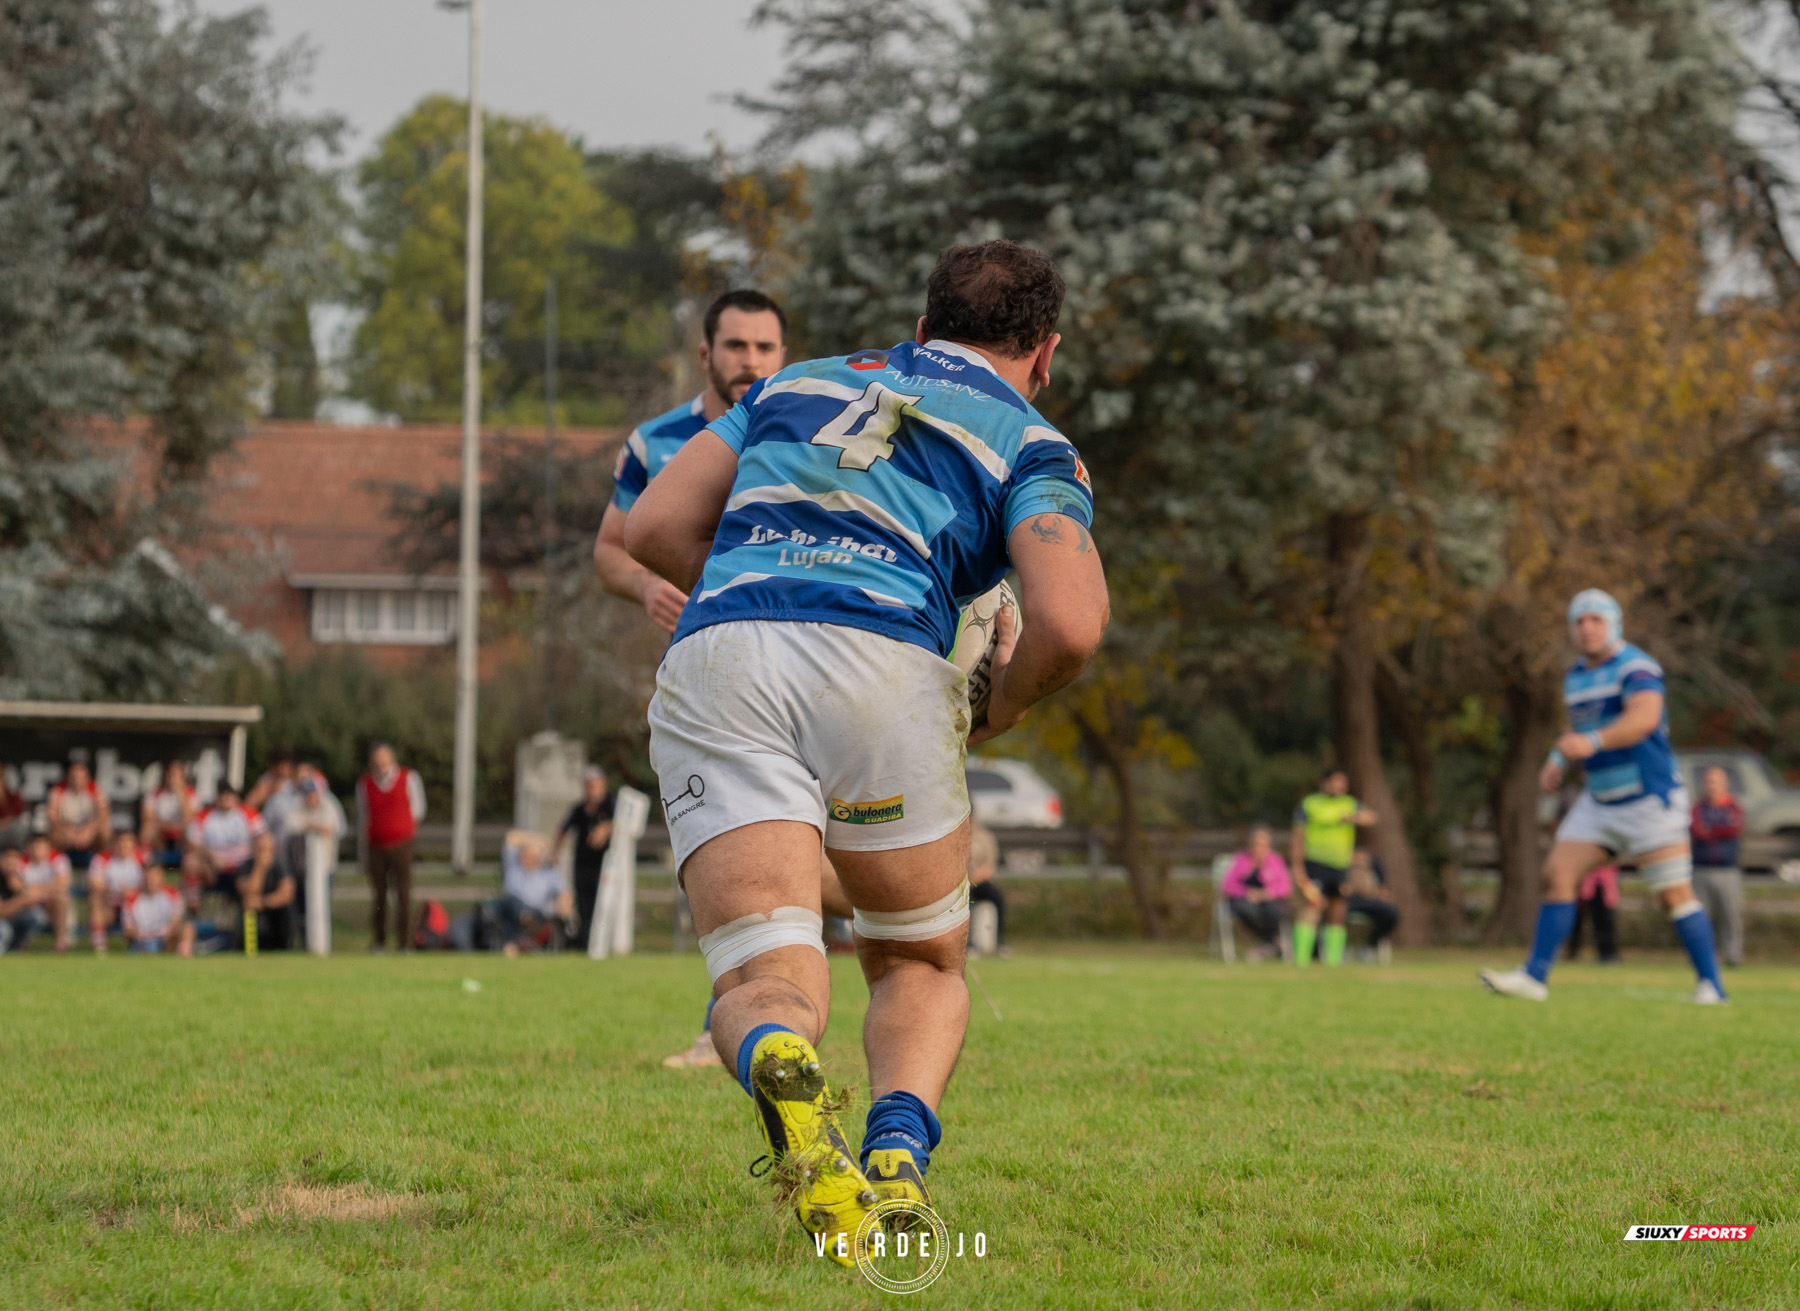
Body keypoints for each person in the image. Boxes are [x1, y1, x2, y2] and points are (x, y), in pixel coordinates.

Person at [625, 240, 1108, 1263]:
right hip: (886, 665)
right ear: (1046, 352)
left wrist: (759, 582)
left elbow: (658, 524)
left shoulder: (795, 382)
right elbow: (1068, 626)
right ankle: (893, 1156)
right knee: (920, 959)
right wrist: (1002, 708)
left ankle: (782, 1056)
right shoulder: (1033, 441)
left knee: (763, 973)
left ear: (922, 325)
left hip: (728, 653)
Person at [1481, 589, 1727, 1004]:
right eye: (1579, 621)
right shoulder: (1575, 676)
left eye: (1596, 619)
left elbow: (1644, 718)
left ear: (1614, 623)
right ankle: (1534, 977)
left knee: (1674, 894)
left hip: (1649, 800)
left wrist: (1593, 742)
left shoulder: (1636, 666)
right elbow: (1578, 734)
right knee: (1557, 873)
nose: (1587, 628)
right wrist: (1557, 758)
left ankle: (1712, 986)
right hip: (1600, 802)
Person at [593, 289, 789, 634]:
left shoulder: (809, 440)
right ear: (705, 354)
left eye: (765, 348)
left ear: (782, 358)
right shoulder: (652, 441)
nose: (751, 362)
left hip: (788, 650)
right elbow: (609, 549)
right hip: (688, 658)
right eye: (735, 345)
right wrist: (646, 586)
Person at [1290, 767, 1377, 968]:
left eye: (1342, 782)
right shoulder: (1310, 804)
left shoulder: (1350, 804)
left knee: (1338, 907)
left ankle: (1333, 960)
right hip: (1314, 863)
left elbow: (1371, 817)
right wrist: (1297, 867)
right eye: (1335, 782)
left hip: (1340, 866)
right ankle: (1301, 959)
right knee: (1311, 905)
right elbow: (1297, 836)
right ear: (1324, 783)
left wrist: (1355, 818)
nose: (1339, 786)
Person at [356, 743, 425, 953]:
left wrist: (406, 834)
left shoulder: (408, 778)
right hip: (376, 846)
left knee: (403, 894)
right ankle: (379, 941)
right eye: (376, 761)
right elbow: (363, 815)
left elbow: (418, 810)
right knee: (379, 895)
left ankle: (405, 942)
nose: (380, 765)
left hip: (401, 844)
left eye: (384, 760)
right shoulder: (364, 783)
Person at [183, 782, 274, 936]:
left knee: (264, 852)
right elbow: (192, 842)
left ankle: (252, 924)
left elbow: (263, 837)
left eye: (229, 797)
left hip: (242, 868)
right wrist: (209, 858)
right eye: (222, 797)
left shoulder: (248, 813)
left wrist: (254, 857)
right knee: (190, 861)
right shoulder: (205, 816)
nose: (226, 801)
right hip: (214, 869)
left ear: (235, 798)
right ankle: (194, 911)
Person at [1690, 766, 1746, 968]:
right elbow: (1696, 829)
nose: (1712, 785)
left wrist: (1711, 829)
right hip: (1701, 869)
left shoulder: (1733, 807)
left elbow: (1734, 828)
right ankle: (1705, 957)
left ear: (1724, 784)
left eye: (1716, 781)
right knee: (1701, 918)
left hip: (1727, 870)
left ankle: (1732, 956)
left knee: (1731, 915)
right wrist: (1717, 829)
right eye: (1709, 781)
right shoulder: (1698, 807)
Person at [483, 830, 572, 955]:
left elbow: (565, 891)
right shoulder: (513, 865)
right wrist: (538, 840)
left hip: (535, 915)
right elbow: (511, 837)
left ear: (538, 858)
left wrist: (563, 904)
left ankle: (511, 944)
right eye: (524, 854)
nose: (525, 858)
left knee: (518, 907)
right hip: (507, 909)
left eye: (530, 856)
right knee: (489, 907)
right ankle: (500, 946)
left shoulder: (548, 873)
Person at [555, 766, 615, 942]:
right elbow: (562, 829)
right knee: (583, 905)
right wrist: (554, 851)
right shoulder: (580, 809)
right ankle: (586, 942)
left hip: (605, 865)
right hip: (583, 864)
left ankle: (602, 941)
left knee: (602, 903)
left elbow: (623, 823)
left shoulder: (611, 804)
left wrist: (606, 828)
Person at [284, 770, 346, 942]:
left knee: (322, 904)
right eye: (307, 794)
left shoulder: (329, 805)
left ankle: (323, 941)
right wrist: (313, 826)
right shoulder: (296, 806)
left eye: (313, 794)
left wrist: (312, 827)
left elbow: (334, 828)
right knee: (302, 906)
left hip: (326, 865)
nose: (310, 798)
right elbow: (290, 825)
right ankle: (306, 941)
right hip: (301, 867)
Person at [1221, 825, 1294, 961]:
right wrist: (1247, 892)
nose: (1258, 848)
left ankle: (1268, 944)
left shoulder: (1274, 860)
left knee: (1275, 910)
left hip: (1269, 900)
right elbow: (1228, 885)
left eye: (1262, 844)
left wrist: (1266, 893)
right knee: (1245, 910)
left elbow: (1285, 886)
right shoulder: (1240, 859)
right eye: (1255, 844)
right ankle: (1273, 942)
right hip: (1245, 900)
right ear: (1250, 844)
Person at [87, 830, 147, 953]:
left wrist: (133, 892)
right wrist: (119, 891)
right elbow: (95, 883)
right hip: (110, 906)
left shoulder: (142, 858)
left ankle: (138, 946)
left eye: (127, 841)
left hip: (134, 907)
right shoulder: (101, 859)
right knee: (95, 898)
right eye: (120, 841)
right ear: (113, 843)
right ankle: (100, 948)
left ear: (133, 844)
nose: (123, 845)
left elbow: (152, 882)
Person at [47, 759, 109, 875]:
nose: (77, 780)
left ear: (87, 777)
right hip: (66, 829)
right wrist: (68, 831)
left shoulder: (95, 788)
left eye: (81, 776)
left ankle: (100, 870)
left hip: (88, 828)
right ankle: (58, 871)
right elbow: (52, 816)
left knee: (105, 832)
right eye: (73, 776)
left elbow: (103, 814)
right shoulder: (59, 789)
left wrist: (89, 830)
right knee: (54, 835)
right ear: (67, 776)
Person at [18, 833, 73, 951]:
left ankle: (61, 940)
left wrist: (36, 890)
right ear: (28, 847)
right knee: (20, 900)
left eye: (40, 846)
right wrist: (42, 890)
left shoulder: (58, 858)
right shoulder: (20, 860)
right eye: (34, 846)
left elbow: (62, 883)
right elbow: (17, 887)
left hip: (50, 903)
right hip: (29, 903)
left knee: (62, 898)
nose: (37, 849)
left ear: (48, 847)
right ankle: (20, 941)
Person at [123, 862, 192, 955]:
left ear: (161, 877)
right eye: (147, 876)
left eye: (154, 876)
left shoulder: (173, 895)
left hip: (164, 939)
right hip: (142, 941)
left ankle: (184, 957)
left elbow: (176, 919)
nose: (150, 880)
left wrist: (165, 932)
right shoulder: (131, 899)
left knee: (187, 928)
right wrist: (139, 935)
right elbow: (128, 927)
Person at [1344, 849, 1400, 963]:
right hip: (1346, 900)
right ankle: (1341, 947)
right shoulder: (1338, 857)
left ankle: (1369, 945)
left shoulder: (1372, 860)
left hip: (1370, 900)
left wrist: (1381, 894)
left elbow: (1382, 887)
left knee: (1390, 914)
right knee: (1335, 913)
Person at [139, 759, 198, 868]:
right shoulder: (154, 792)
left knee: (192, 829)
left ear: (182, 777)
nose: (173, 779)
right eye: (170, 775)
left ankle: (188, 866)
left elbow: (191, 818)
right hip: (161, 832)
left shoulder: (191, 793)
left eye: (176, 775)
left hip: (181, 833)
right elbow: (147, 817)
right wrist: (170, 824)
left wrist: (180, 793)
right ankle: (146, 864)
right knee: (147, 828)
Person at [0, 845, 58, 953]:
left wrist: (22, 890)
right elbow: (1, 912)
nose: (11, 862)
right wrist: (21, 899)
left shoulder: (18, 877)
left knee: (37, 915)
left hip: (12, 919)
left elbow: (32, 900)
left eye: (15, 858)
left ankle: (17, 948)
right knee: (4, 930)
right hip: (3, 922)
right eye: (8, 858)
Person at [1566, 863, 1620, 963]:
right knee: (1575, 923)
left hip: (1604, 888)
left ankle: (1607, 955)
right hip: (1583, 886)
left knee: (1604, 924)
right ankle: (1572, 953)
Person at [967, 821, 1008, 954]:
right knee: (963, 901)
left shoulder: (983, 836)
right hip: (958, 882)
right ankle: (967, 943)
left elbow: (990, 865)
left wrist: (973, 880)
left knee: (996, 897)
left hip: (978, 881)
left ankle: (999, 942)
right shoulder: (951, 834)